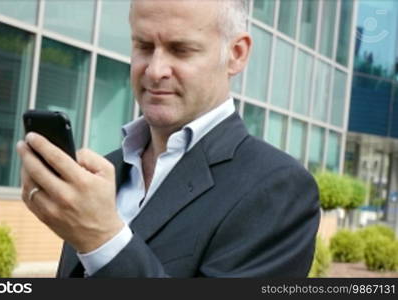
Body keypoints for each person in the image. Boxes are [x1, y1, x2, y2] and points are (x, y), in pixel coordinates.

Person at [17, 0, 320, 277]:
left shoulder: (278, 189)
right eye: (144, 46)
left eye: (181, 49)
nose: (155, 70)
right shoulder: (103, 174)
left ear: (236, 54)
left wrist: (101, 239)